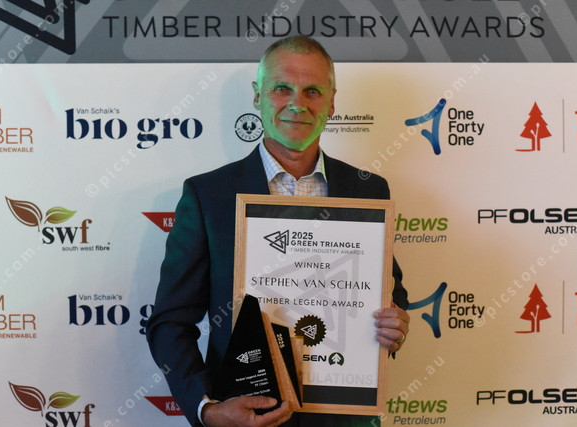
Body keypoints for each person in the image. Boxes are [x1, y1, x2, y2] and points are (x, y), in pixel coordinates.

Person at [146, 35, 410, 427]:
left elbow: (389, 292)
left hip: (345, 417)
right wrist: (208, 409)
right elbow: (170, 323)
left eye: (313, 91)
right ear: (258, 96)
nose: (297, 103)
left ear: (332, 102)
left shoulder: (369, 191)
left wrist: (395, 322)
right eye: (282, 88)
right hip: (247, 417)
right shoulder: (209, 195)